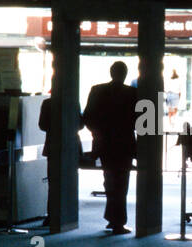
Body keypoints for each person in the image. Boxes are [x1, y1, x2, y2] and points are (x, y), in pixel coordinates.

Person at [82, 61, 139, 233]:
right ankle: (117, 222)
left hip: (104, 144)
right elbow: (137, 120)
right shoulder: (132, 93)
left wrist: (98, 135)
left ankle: (112, 217)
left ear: (111, 72)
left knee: (109, 181)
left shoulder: (97, 90)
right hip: (124, 144)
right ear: (125, 74)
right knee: (121, 184)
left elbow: (88, 117)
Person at [37, 94, 81, 228]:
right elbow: (80, 124)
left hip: (53, 145)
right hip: (70, 145)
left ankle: (52, 215)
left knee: (53, 182)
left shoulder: (47, 103)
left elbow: (42, 125)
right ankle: (67, 214)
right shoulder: (73, 102)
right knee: (69, 181)